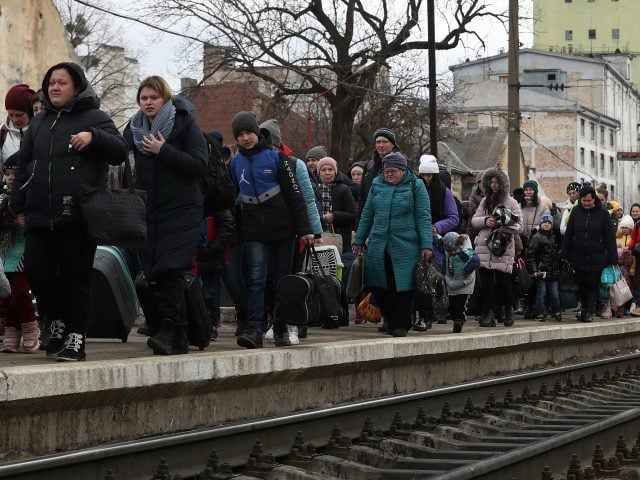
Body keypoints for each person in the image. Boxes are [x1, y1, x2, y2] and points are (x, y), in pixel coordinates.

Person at [11, 62, 129, 361]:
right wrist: (18, 205)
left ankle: (77, 336)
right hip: (40, 213)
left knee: (75, 278)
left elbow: (119, 150)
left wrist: (94, 137)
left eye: (62, 82)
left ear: (77, 86)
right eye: (51, 82)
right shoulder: (39, 122)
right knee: (37, 271)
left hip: (78, 214)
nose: (55, 87)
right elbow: (24, 164)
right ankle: (57, 321)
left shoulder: (95, 117)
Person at [124, 75, 208, 356]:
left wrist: (164, 150)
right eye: (144, 98)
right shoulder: (135, 129)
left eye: (154, 97)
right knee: (154, 271)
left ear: (165, 99)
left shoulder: (184, 123)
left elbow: (199, 165)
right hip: (150, 210)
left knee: (171, 268)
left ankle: (168, 328)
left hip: (182, 208)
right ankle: (180, 337)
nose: (148, 103)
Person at [228, 111, 313, 349]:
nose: (245, 138)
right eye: (240, 134)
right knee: (256, 278)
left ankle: (280, 328)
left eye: (249, 132)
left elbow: (296, 197)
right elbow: (230, 198)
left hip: (282, 229)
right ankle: (254, 328)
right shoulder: (235, 163)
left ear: (257, 132)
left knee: (281, 280)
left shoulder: (277, 159)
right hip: (254, 230)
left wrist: (305, 229)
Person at [353, 152, 433, 337]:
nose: (389, 174)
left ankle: (401, 323)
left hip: (406, 245)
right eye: (386, 171)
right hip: (379, 243)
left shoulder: (416, 185)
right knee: (379, 284)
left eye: (393, 171)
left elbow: (423, 216)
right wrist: (359, 239)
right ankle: (389, 319)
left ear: (403, 171)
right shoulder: (376, 185)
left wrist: (426, 245)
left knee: (402, 286)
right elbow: (367, 214)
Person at [470, 168, 524, 328]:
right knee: (485, 282)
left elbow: (520, 227)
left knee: (503, 281)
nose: (494, 185)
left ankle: (508, 309)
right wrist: (486, 221)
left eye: (497, 182)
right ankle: (489, 312)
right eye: (491, 182)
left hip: (502, 246)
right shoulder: (484, 200)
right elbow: (474, 220)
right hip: (485, 246)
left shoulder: (512, 202)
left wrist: (505, 221)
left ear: (503, 183)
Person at [560, 185, 618, 323]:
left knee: (592, 284)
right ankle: (584, 308)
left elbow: (610, 237)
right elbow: (569, 234)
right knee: (581, 284)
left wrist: (613, 257)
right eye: (584, 201)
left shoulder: (603, 214)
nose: (586, 204)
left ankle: (588, 312)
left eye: (589, 201)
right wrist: (564, 253)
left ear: (594, 199)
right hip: (578, 255)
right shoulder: (575, 211)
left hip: (596, 256)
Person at [415, 154, 458, 329]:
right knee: (419, 280)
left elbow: (454, 217)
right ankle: (423, 314)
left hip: (436, 243)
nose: (426, 179)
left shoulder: (444, 193)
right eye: (423, 175)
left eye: (429, 175)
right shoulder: (415, 190)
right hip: (417, 240)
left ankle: (432, 313)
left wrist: (438, 227)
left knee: (432, 279)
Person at [0, 156, 37, 353]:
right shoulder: (1, 199)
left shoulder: (30, 197)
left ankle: (30, 327)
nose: (10, 178)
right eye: (7, 174)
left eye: (14, 173)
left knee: (21, 294)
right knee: (5, 298)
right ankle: (11, 331)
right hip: (4, 256)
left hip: (23, 255)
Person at [525, 213, 562, 322]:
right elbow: (530, 255)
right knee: (542, 292)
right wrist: (534, 270)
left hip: (553, 272)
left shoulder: (554, 237)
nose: (547, 224)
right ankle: (540, 312)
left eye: (549, 222)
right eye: (544, 222)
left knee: (554, 293)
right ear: (540, 224)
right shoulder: (536, 237)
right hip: (541, 272)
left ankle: (556, 311)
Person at [316, 156, 356, 253]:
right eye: (323, 170)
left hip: (340, 238)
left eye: (330, 169)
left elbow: (353, 215)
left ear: (335, 172)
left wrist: (334, 216)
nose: (327, 173)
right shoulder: (313, 189)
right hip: (317, 237)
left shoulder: (344, 189)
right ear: (318, 173)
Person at [442, 232, 479, 333]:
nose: (453, 253)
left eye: (455, 250)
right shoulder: (446, 253)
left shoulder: (465, 253)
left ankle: (459, 320)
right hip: (452, 282)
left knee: (460, 304)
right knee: (452, 305)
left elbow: (476, 261)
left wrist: (467, 269)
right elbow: (439, 244)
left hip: (464, 282)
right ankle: (455, 318)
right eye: (450, 251)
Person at [358, 127, 398, 218]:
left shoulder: (402, 166)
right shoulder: (369, 166)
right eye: (378, 142)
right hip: (369, 219)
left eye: (385, 141)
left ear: (392, 144)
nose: (381, 145)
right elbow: (362, 198)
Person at [1, 84, 35, 168]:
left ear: (30, 112)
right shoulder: (2, 132)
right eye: (11, 115)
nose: (15, 119)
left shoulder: (42, 131)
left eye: (19, 115)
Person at [615, 214, 634, 317]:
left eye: (627, 227)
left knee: (629, 288)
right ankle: (617, 307)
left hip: (630, 266)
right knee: (619, 287)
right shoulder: (618, 237)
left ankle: (627, 307)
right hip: (620, 267)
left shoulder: (633, 238)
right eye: (623, 227)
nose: (625, 229)